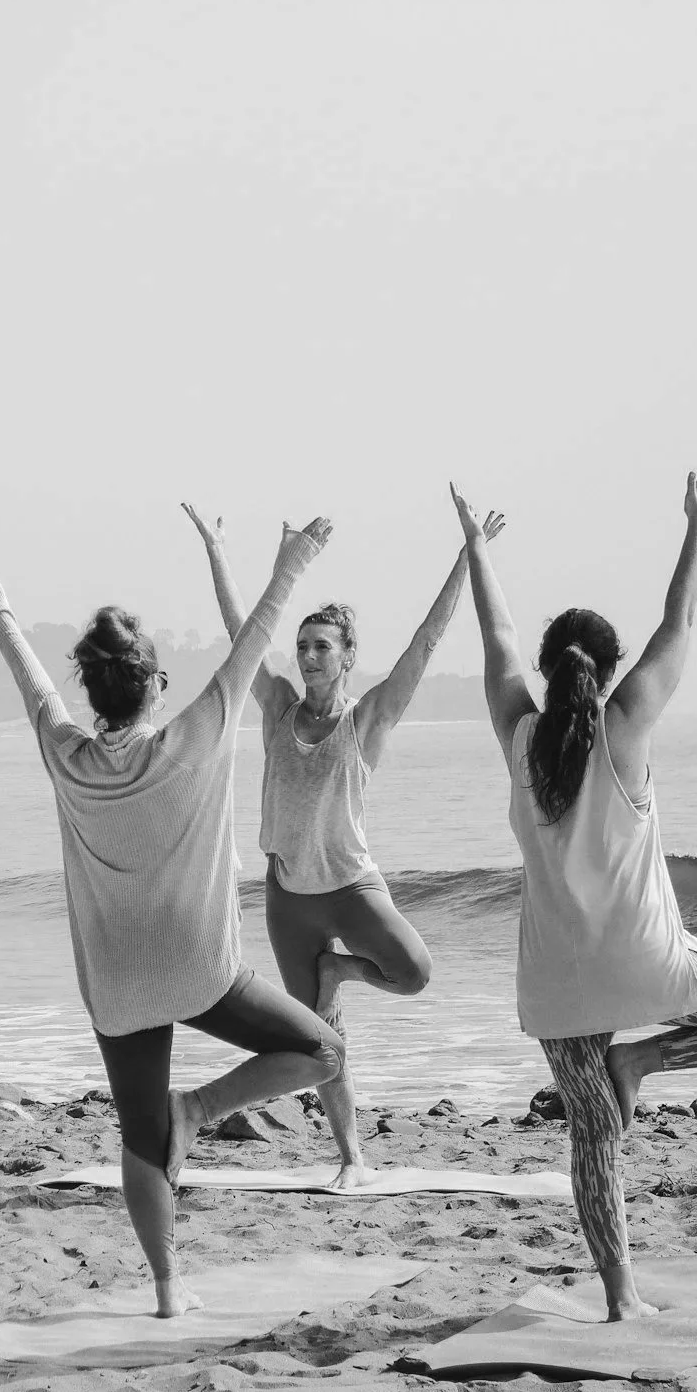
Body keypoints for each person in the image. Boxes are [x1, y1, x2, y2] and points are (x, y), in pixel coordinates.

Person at [0, 517, 347, 1319]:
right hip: (202, 970)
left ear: (95, 694)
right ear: (155, 684)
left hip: (119, 984)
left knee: (139, 1136)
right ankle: (200, 1110)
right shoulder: (193, 738)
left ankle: (168, 1290)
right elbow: (256, 642)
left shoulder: (65, 753)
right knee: (325, 1051)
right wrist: (294, 560)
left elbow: (30, 678)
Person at [454, 456, 697, 1320]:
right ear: (609, 673)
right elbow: (679, 618)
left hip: (557, 985)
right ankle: (645, 1057)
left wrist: (477, 550)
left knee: (593, 1137)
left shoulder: (519, 736)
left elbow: (496, 645)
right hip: (649, 966)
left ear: (547, 673)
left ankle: (621, 1299)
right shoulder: (628, 725)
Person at [182, 502, 506, 1186]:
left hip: (353, 889)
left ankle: (341, 973)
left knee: (413, 971)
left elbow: (425, 641)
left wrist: (465, 556)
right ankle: (351, 1157)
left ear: (348, 655)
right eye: (302, 645)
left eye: (321, 645)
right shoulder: (274, 706)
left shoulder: (369, 720)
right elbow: (244, 630)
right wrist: (216, 547)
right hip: (290, 899)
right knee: (322, 1046)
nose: (306, 655)